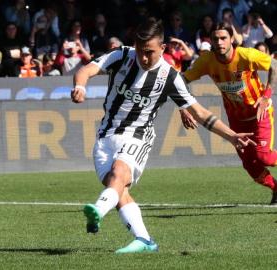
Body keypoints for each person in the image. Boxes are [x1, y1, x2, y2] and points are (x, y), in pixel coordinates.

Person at [71, 18, 255, 254]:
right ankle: (145, 241)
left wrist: (231, 136)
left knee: (119, 174)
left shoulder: (170, 77)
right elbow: (86, 70)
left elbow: (199, 112)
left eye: (149, 52)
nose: (143, 58)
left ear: (162, 49)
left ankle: (97, 209)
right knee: (118, 190)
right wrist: (81, 87)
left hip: (138, 137)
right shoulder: (122, 56)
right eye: (140, 51)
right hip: (106, 136)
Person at [180, 22, 277, 204]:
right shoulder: (206, 61)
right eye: (215, 39)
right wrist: (183, 106)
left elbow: (274, 65)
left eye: (223, 38)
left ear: (232, 39)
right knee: (250, 165)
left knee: (263, 156)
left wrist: (266, 96)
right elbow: (182, 80)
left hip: (259, 114)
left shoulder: (246, 54)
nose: (219, 42)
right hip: (236, 121)